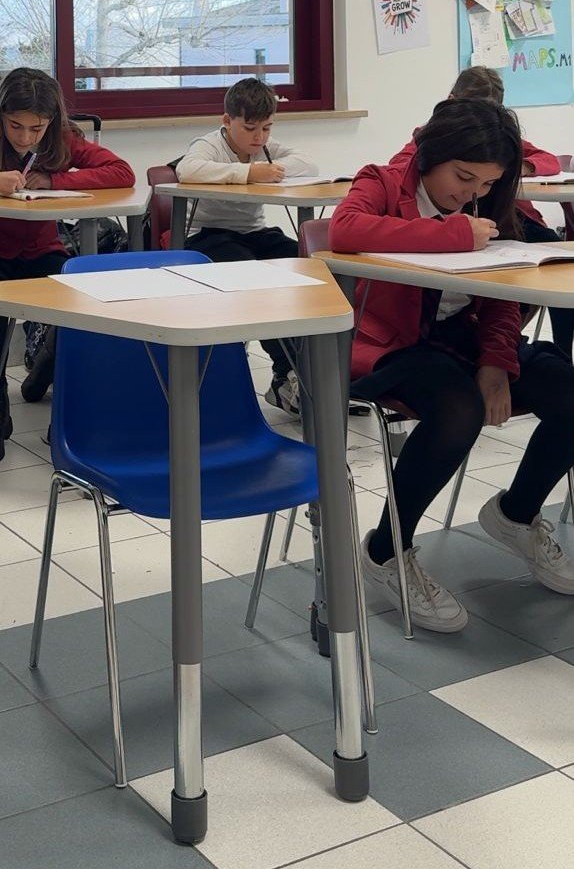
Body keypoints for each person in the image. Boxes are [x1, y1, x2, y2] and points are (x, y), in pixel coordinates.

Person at [329, 98, 574, 633]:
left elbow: (502, 290)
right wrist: (453, 234)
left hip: (464, 337)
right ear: (431, 155)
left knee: (567, 390)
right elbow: (344, 230)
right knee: (457, 409)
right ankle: (386, 550)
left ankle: (516, 514)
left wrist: (496, 362)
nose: (472, 193)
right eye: (464, 177)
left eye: (487, 183)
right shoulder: (382, 181)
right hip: (389, 343)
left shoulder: (489, 203)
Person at [0, 67, 134, 460]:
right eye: (16, 126)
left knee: (80, 309)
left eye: (37, 128)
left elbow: (122, 173)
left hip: (40, 252)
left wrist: (54, 181)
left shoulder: (61, 140)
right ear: (0, 115)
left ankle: (64, 404)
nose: (26, 137)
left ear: (52, 122)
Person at [389, 64, 570, 356]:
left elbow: (548, 160)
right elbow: (401, 168)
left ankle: (553, 344)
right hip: (465, 227)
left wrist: (519, 166)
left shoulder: (498, 139)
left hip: (509, 220)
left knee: (555, 264)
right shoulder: (430, 140)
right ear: (451, 102)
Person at [176, 75, 316, 416]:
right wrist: (249, 173)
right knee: (255, 277)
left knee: (306, 265)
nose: (259, 137)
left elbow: (307, 164)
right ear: (227, 121)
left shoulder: (265, 148)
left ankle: (303, 370)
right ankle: (283, 372)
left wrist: (272, 167)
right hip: (209, 234)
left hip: (255, 233)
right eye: (250, 128)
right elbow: (187, 169)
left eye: (266, 128)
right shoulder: (210, 144)